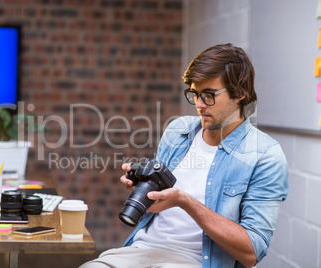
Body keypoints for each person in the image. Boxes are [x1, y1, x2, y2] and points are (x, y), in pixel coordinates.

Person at [80, 43, 288, 268]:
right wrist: (144, 189)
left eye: (208, 95)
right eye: (195, 94)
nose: (199, 105)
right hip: (140, 249)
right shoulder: (178, 130)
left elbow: (252, 252)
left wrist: (185, 201)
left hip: (193, 261)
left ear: (239, 94)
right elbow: (160, 198)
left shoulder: (265, 155)